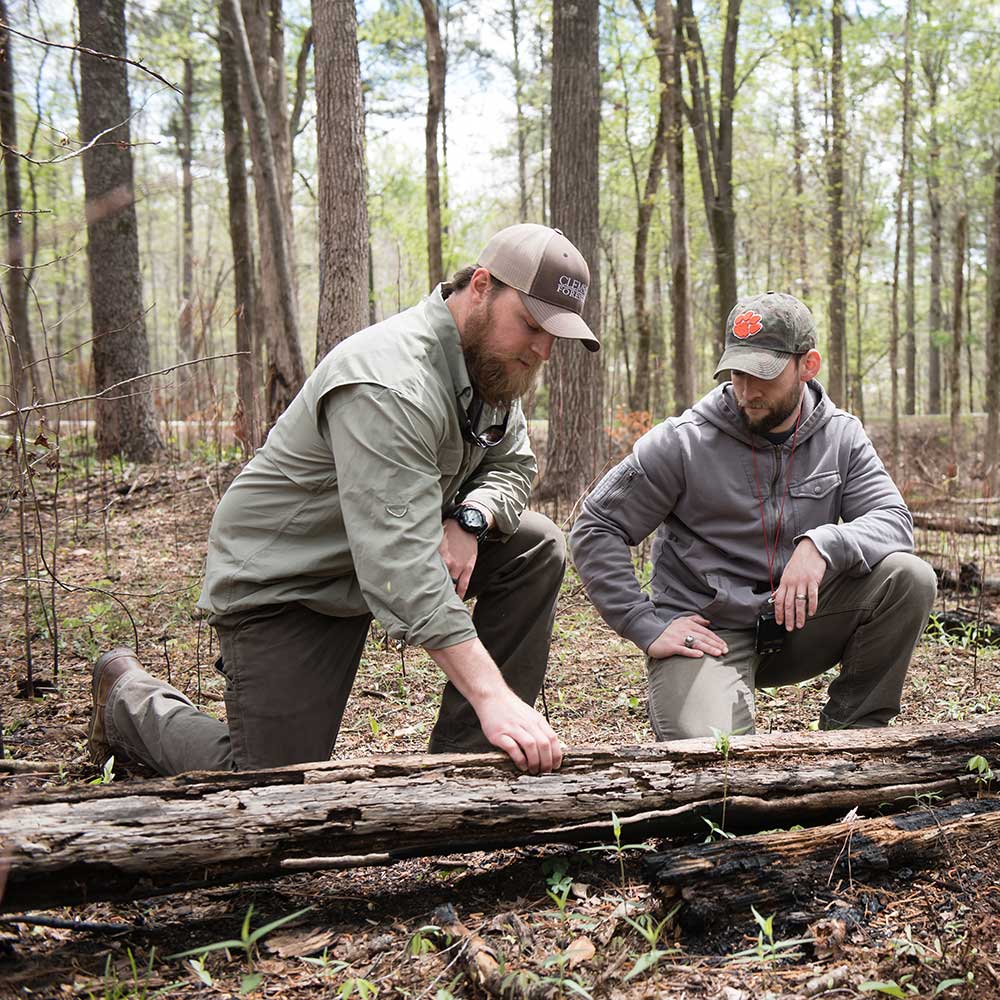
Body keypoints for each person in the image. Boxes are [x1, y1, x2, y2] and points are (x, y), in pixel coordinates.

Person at [89, 223, 599, 776]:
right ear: (481, 286)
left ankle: (466, 769)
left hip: (375, 557)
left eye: (554, 335)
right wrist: (493, 693)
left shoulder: (491, 364)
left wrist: (471, 521)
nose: (542, 350)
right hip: (291, 579)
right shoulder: (391, 381)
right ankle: (127, 699)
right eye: (530, 325)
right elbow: (401, 568)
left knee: (535, 544)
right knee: (269, 786)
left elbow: (514, 463)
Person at [569, 291, 936, 741]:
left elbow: (893, 519)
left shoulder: (842, 437)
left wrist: (822, 545)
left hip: (802, 620)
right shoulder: (682, 443)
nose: (746, 389)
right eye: (737, 372)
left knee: (908, 578)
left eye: (763, 373)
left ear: (808, 365)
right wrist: (644, 624)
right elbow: (595, 526)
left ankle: (853, 738)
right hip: (709, 634)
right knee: (718, 770)